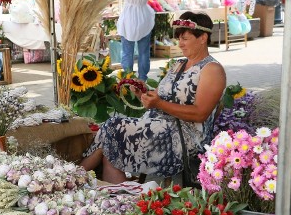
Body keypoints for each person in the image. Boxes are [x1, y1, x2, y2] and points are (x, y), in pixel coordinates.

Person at [80, 12, 226, 183]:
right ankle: (115, 196)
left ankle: (74, 175)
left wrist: (159, 103)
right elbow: (159, 97)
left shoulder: (212, 70)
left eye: (185, 38)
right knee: (111, 144)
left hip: (184, 138)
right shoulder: (178, 64)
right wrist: (143, 94)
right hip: (159, 126)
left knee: (113, 127)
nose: (180, 43)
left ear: (203, 38)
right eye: (179, 38)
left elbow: (200, 113)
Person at [117, 0, 155, 81]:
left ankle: (128, 79)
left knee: (127, 51)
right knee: (144, 52)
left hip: (128, 18)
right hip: (144, 17)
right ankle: (143, 79)